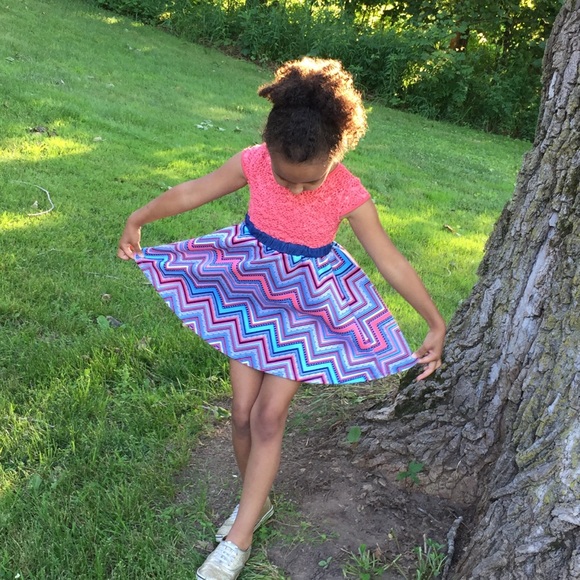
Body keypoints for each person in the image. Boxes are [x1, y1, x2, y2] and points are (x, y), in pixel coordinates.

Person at [118, 57, 445, 580]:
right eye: (284, 178)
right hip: (249, 295)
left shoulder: (347, 191)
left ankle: (239, 538)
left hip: (307, 312)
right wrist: (139, 218)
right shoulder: (253, 162)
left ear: (336, 152)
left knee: (269, 416)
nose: (295, 190)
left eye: (308, 181)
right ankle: (257, 502)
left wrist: (434, 321)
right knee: (241, 412)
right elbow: (193, 190)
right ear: (267, 147)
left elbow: (390, 259)